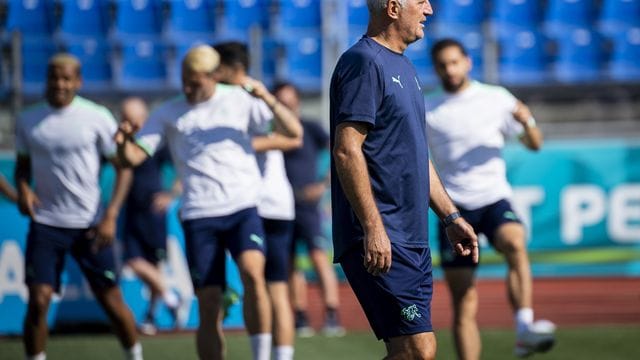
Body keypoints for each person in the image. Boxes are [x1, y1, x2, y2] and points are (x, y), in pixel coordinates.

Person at [115, 45, 303, 360]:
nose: (188, 88)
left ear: (214, 76)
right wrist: (122, 145)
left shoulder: (240, 100)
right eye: (184, 80)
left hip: (243, 208)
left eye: (195, 81)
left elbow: (293, 131)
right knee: (209, 304)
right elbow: (133, 156)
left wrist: (267, 97)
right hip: (199, 216)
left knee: (253, 274)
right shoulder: (168, 112)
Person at [329, 1, 478, 359]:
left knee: (410, 352)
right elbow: (347, 150)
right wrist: (373, 228)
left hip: (411, 235)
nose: (428, 9)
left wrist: (450, 217)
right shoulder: (363, 62)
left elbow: (415, 155)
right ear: (394, 7)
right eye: (420, 1)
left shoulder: (405, 67)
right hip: (383, 234)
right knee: (417, 349)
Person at [424, 38, 555, 359]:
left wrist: (528, 121)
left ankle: (524, 328)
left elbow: (534, 143)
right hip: (454, 211)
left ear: (467, 62)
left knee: (515, 241)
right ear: (436, 68)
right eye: (442, 64)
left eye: (454, 62)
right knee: (464, 301)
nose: (449, 69)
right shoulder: (427, 108)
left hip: (494, 198)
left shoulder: (495, 98)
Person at [14, 53, 142, 360]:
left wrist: (111, 215)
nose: (59, 84)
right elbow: (22, 166)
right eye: (54, 77)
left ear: (78, 81)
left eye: (66, 78)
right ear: (46, 80)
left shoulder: (96, 117)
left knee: (111, 301)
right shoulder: (28, 120)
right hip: (46, 224)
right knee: (39, 299)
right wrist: (22, 189)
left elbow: (124, 167)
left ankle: (134, 355)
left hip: (90, 224)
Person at [213, 41, 301, 360]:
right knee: (241, 286)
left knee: (272, 286)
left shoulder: (252, 95)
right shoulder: (212, 99)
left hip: (267, 205)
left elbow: (294, 134)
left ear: (228, 68)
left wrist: (246, 144)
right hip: (234, 203)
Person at [275, 82, 345, 337]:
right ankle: (301, 316)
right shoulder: (271, 131)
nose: (286, 103)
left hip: (307, 206)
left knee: (318, 257)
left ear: (297, 101)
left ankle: (331, 314)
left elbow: (340, 151)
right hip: (281, 207)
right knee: (290, 263)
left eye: (289, 99)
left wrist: (323, 184)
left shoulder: (310, 128)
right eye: (280, 100)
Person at [118, 97, 182, 335]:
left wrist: (170, 195)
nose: (129, 122)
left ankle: (151, 316)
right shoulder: (122, 143)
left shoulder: (155, 143)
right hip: (132, 210)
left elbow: (181, 168)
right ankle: (171, 299)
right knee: (134, 261)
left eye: (133, 118)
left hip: (153, 212)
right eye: (125, 117)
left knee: (153, 264)